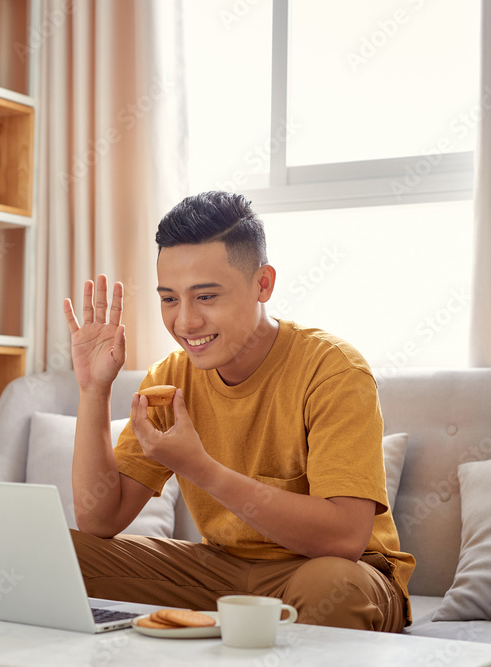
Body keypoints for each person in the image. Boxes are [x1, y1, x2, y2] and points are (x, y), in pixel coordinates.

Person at [62, 191, 414, 630]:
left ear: (263, 284)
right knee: (59, 557)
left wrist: (201, 469)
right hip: (223, 572)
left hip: (336, 571)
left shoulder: (333, 370)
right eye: (169, 299)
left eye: (206, 296)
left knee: (334, 586)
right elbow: (99, 519)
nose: (185, 323)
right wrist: (94, 390)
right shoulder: (170, 378)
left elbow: (343, 538)